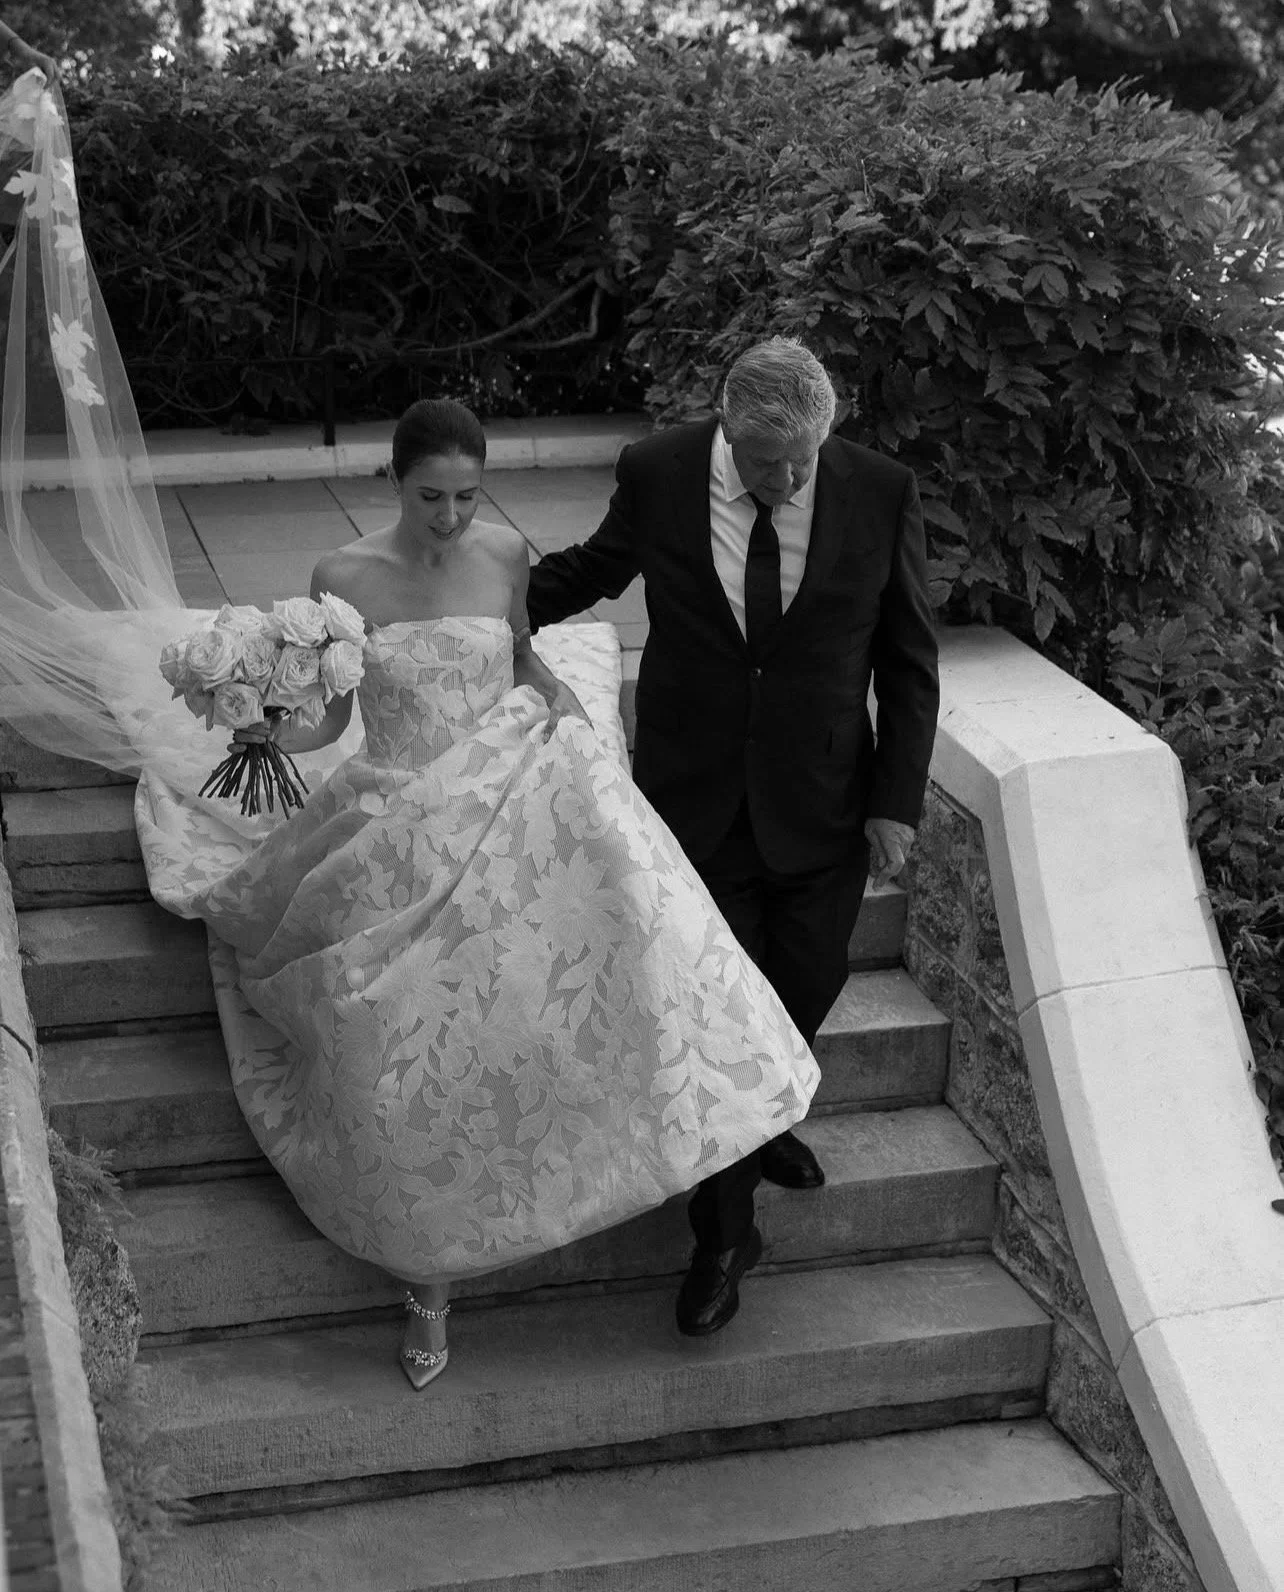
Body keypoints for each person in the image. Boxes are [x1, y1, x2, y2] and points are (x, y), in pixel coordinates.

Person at [134, 397, 822, 1389]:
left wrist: (555, 690)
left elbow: (519, 653)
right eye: (431, 496)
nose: (452, 515)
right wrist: (265, 728)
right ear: (397, 481)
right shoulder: (341, 578)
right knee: (402, 1018)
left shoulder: (507, 548)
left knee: (618, 904)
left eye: (466, 494)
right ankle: (428, 1276)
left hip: (503, 779)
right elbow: (334, 727)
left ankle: (696, 1112)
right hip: (399, 799)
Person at [526, 338, 940, 1337]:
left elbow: (910, 655)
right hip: (695, 799)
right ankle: (723, 1233)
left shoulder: (880, 491)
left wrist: (897, 799)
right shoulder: (660, 471)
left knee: (804, 983)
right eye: (768, 465)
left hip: (825, 799)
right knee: (708, 1016)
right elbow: (591, 570)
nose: (790, 481)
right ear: (726, 427)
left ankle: (764, 1125)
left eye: (805, 460)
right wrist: (458, 598)